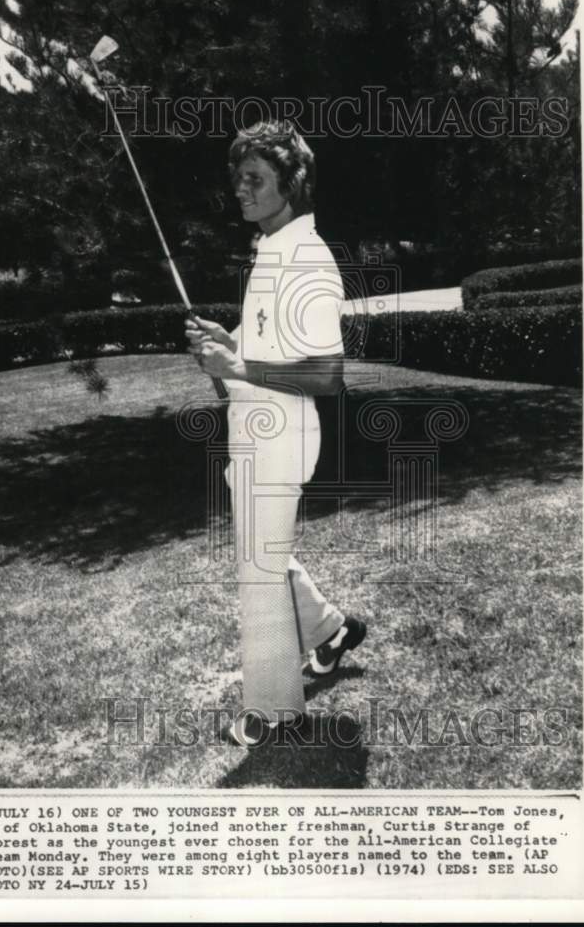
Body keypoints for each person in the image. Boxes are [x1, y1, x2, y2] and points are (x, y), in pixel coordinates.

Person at [186, 120, 367, 747]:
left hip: (283, 437)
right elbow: (274, 352)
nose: (240, 189)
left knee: (257, 568)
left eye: (254, 179)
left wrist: (236, 367)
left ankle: (275, 711)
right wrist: (231, 345)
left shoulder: (309, 261)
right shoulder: (272, 250)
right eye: (238, 178)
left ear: (291, 184)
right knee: (263, 554)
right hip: (254, 431)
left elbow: (325, 373)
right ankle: (330, 631)